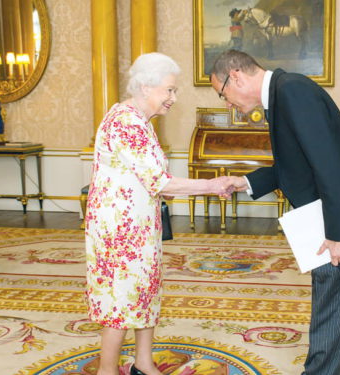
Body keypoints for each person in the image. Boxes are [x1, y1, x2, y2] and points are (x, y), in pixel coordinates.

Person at [209, 49, 340, 374]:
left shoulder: (291, 91)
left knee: (331, 309)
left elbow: (328, 163)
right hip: (327, 217)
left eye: (222, 94)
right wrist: (245, 182)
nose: (226, 103)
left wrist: (339, 235)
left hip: (337, 222)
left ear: (235, 76)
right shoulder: (283, 93)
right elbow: (295, 165)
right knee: (330, 308)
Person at [85, 52, 234, 375]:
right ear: (145, 86)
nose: (173, 98)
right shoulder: (126, 122)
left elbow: (156, 184)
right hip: (119, 229)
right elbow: (159, 181)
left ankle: (143, 363)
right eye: (169, 90)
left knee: (145, 289)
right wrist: (212, 185)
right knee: (120, 297)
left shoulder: (141, 120)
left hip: (138, 224)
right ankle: (107, 370)